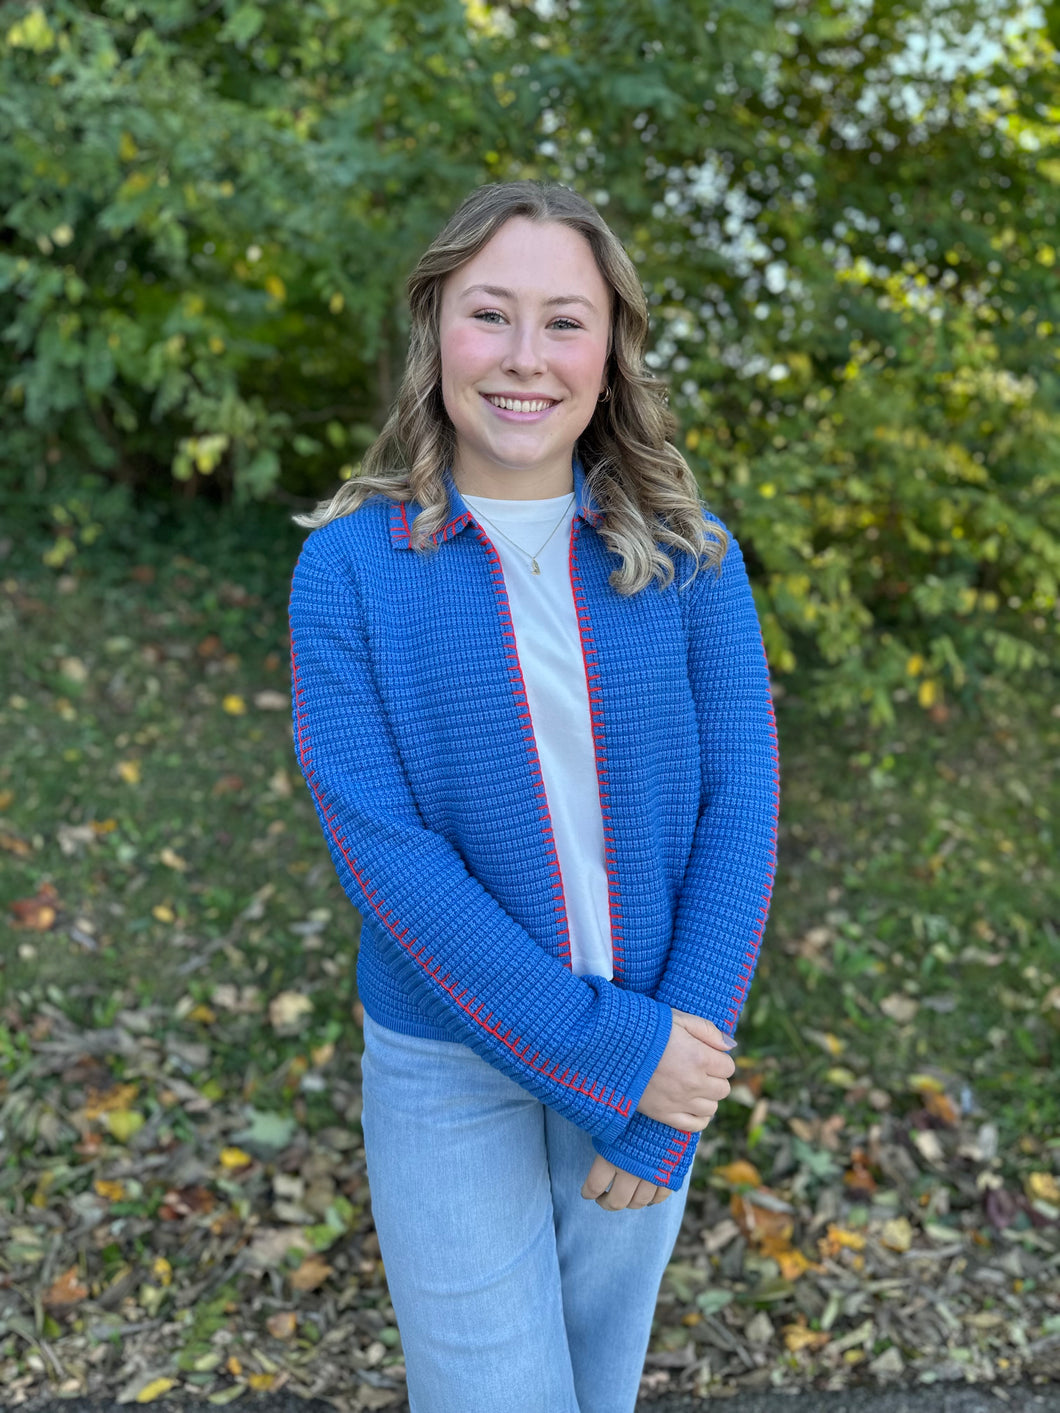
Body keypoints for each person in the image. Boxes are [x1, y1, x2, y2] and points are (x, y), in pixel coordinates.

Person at [287, 181, 780, 1413]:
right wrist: (612, 1058)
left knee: (597, 1389)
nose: (522, 359)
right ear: (434, 331)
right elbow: (383, 856)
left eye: (564, 322)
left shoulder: (690, 558)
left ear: (610, 351)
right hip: (452, 1056)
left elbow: (740, 814)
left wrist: (672, 1083)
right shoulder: (349, 566)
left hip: (660, 1034)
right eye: (488, 314)